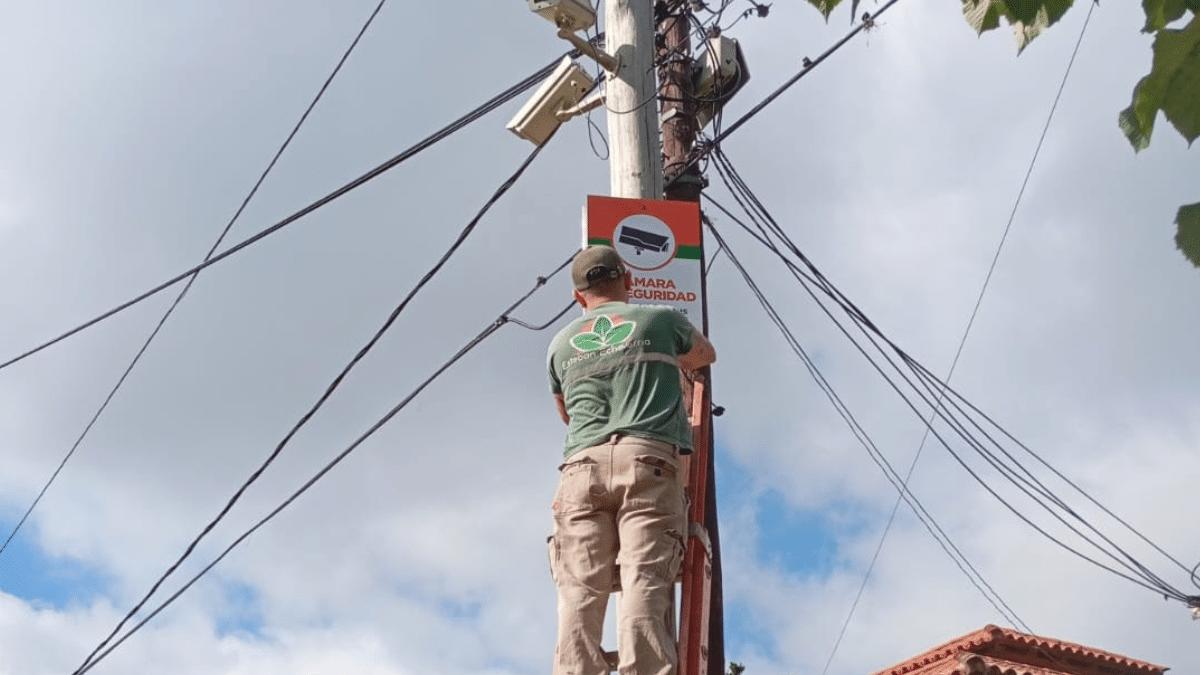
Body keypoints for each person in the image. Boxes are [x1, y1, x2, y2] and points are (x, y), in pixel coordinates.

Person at [546, 245, 717, 675]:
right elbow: (703, 355)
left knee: (579, 591)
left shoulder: (560, 345)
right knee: (644, 578)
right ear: (629, 280)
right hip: (647, 461)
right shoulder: (660, 319)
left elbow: (565, 412)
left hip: (580, 470)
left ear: (578, 296)